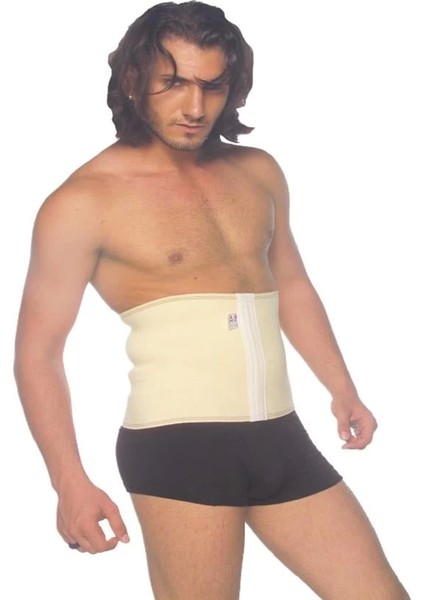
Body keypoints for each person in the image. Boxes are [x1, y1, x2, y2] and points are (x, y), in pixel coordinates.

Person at [14, 2, 409, 599]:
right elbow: (37, 354)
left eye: (212, 86)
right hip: (178, 450)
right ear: (134, 79)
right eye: (173, 83)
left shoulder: (258, 172)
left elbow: (291, 284)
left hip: (281, 437)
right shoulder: (82, 202)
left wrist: (341, 387)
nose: (195, 107)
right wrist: (68, 481)